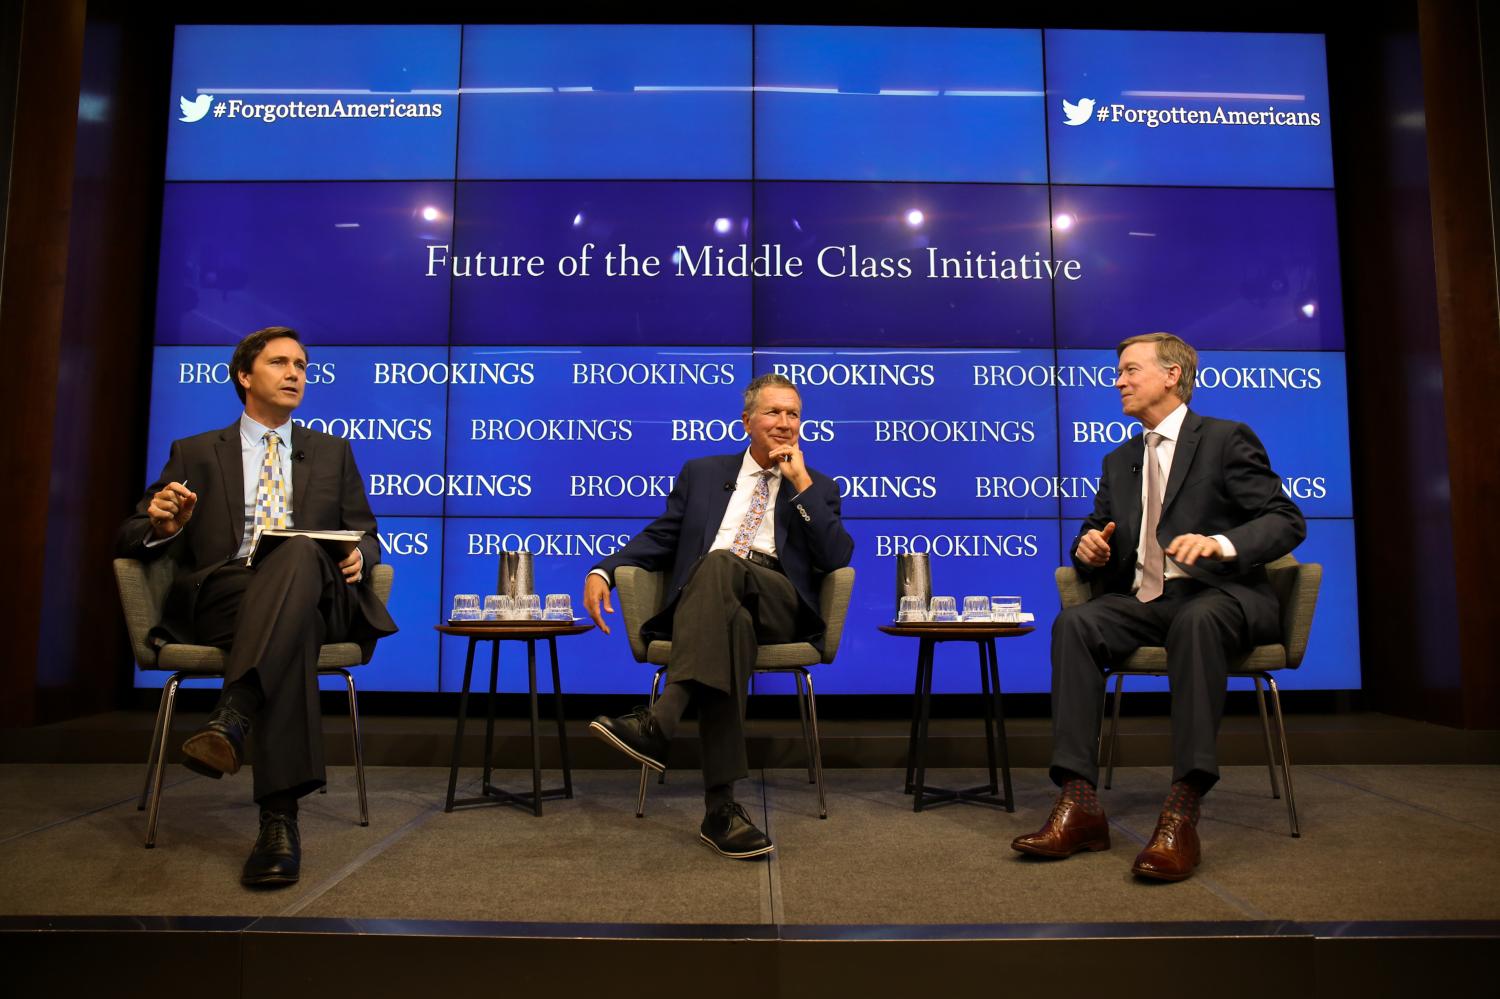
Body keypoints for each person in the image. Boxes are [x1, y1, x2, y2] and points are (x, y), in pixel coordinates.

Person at [1012, 333, 1305, 881]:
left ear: (1171, 375)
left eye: (1129, 370)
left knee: (1196, 618)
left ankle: (1182, 808)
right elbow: (1097, 530)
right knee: (1075, 623)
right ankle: (1079, 802)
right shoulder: (1119, 458)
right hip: (1146, 601)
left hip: (1222, 597)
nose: (1117, 381)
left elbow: (1285, 519)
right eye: (1118, 372)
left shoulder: (1223, 439)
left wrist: (1221, 544)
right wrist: (1089, 547)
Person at [117, 327, 396, 887]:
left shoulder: (331, 451)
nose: (295, 373)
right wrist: (162, 525)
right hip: (223, 596)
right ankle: (278, 818)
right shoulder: (195, 453)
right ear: (245, 376)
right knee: (290, 625)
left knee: (295, 553)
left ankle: (235, 714)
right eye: (280, 363)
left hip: (316, 589)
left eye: (301, 365)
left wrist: (360, 556)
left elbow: (366, 532)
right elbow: (129, 535)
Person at [583, 373, 854, 859]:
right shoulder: (703, 473)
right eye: (773, 412)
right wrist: (604, 570)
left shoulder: (819, 487)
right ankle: (720, 810)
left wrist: (801, 484)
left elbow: (836, 558)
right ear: (747, 420)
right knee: (730, 622)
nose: (785, 422)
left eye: (793, 413)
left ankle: (660, 721)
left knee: (723, 563)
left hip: (780, 602)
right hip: (712, 603)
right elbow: (661, 536)